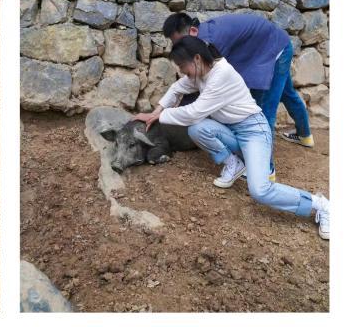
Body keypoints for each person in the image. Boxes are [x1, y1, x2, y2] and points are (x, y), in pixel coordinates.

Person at [132, 37, 329, 240]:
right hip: (232, 131)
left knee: (260, 190)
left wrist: (157, 116)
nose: (182, 72)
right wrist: (156, 112)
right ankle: (233, 163)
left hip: (254, 131)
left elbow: (194, 112)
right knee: (197, 129)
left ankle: (320, 205)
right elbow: (176, 89)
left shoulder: (221, 74)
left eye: (183, 66)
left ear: (197, 59)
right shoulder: (201, 73)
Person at [163, 12, 314, 155]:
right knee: (287, 94)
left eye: (179, 42)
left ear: (193, 30)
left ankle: (265, 169)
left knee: (263, 109)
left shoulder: (212, 43)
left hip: (274, 49)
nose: (178, 48)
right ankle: (305, 136)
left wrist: (176, 112)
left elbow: (202, 84)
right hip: (273, 43)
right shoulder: (202, 36)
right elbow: (197, 82)